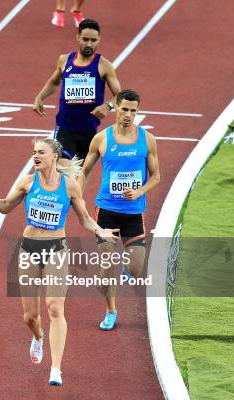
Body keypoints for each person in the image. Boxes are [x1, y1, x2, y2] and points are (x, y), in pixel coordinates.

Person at [0, 138, 119, 385]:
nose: (35, 155)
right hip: (29, 249)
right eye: (33, 152)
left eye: (41, 152)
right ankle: (38, 338)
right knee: (30, 316)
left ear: (54, 156)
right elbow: (6, 207)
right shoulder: (28, 183)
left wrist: (100, 231)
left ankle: (56, 369)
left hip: (56, 249)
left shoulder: (70, 186)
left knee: (55, 308)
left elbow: (83, 218)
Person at [78, 89, 161, 330]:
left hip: (134, 212)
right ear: (116, 108)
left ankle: (126, 266)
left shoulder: (147, 139)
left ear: (137, 112)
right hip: (107, 210)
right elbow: (84, 171)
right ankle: (110, 310)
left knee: (135, 270)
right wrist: (78, 198)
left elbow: (156, 176)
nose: (128, 115)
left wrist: (139, 191)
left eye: (133, 111)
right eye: (124, 109)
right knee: (106, 268)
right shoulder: (102, 139)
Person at [33, 19, 121, 164]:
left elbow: (119, 95)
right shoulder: (64, 60)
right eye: (85, 39)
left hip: (89, 130)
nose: (89, 44)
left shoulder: (104, 65)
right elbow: (54, 81)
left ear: (99, 40)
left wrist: (108, 106)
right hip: (65, 128)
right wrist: (40, 97)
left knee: (79, 178)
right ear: (78, 37)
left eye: (93, 40)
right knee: (64, 170)